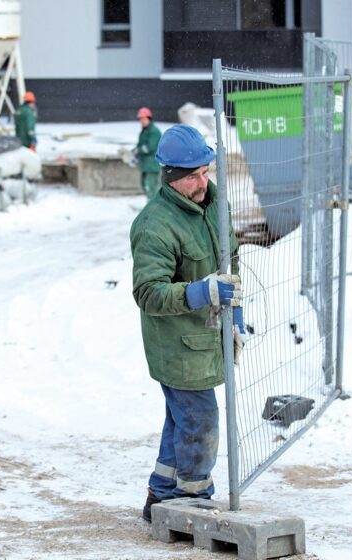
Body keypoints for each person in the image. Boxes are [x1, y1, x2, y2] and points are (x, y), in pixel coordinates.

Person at [129, 124, 244, 523]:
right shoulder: (155, 225)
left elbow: (231, 257)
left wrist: (237, 308)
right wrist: (197, 292)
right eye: (192, 175)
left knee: (183, 419)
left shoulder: (215, 204)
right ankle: (194, 499)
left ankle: (160, 498)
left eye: (206, 171)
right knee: (200, 419)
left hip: (206, 336)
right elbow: (148, 293)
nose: (202, 182)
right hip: (177, 343)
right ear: (170, 176)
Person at [133, 107, 162, 199]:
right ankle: (151, 206)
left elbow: (150, 147)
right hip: (145, 164)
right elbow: (141, 145)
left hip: (152, 164)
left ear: (149, 118)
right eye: (140, 119)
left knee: (150, 187)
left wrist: (138, 150)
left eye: (144, 118)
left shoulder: (154, 131)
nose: (142, 121)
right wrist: (133, 152)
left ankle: (153, 209)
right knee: (144, 185)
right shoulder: (144, 130)